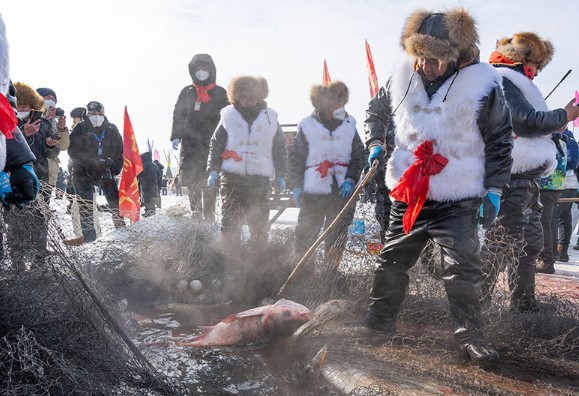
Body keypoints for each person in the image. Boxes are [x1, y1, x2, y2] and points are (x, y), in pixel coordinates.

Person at [351, 8, 513, 366]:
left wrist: (495, 187)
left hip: (458, 194)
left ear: (455, 55)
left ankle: (470, 336)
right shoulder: (400, 76)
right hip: (410, 190)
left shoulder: (485, 84)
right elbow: (375, 112)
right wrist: (376, 142)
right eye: (422, 57)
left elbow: (501, 139)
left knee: (461, 268)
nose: (428, 66)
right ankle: (378, 324)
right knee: (391, 261)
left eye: (437, 60)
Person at [481, 32, 579, 311]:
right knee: (502, 242)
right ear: (525, 61)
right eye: (537, 67)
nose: (537, 74)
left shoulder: (514, 83)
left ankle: (523, 305)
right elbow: (524, 122)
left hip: (527, 179)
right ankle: (476, 304)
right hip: (513, 177)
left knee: (528, 243)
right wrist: (565, 115)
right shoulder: (505, 80)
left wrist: (555, 129)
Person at [290, 81, 365, 288]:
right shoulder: (306, 125)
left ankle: (329, 278)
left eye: (341, 101)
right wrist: (296, 185)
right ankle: (304, 278)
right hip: (313, 189)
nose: (339, 105)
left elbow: (359, 155)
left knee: (337, 235)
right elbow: (296, 158)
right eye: (334, 101)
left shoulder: (350, 125)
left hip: (342, 191)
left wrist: (351, 179)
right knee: (306, 233)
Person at [206, 75, 287, 253]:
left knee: (259, 224)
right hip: (232, 178)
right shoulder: (227, 116)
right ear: (237, 97)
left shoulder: (270, 118)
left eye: (252, 96)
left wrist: (281, 174)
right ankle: (230, 260)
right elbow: (216, 144)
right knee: (230, 222)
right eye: (244, 96)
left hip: (260, 179)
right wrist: (213, 169)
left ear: (259, 96)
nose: (248, 100)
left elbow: (279, 147)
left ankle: (257, 264)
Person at [5, 82, 60, 260]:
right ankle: (17, 259)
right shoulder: (7, 120)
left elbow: (52, 152)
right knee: (15, 219)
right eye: (19, 105)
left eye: (25, 106)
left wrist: (50, 145)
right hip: (13, 178)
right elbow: (6, 144)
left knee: (40, 217)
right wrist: (24, 132)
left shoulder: (42, 123)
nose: (21, 108)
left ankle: (39, 257)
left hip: (40, 178)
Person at [171, 53, 228, 221]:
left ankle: (209, 216)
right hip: (190, 144)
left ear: (211, 70)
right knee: (193, 181)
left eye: (204, 69)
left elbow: (227, 118)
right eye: (198, 69)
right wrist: (176, 135)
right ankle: (196, 213)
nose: (201, 72)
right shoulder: (187, 92)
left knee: (210, 182)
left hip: (212, 144)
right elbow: (178, 113)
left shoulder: (220, 92)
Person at [66, 101, 124, 244]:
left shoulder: (111, 128)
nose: (96, 116)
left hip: (106, 171)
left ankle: (121, 230)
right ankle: (89, 238)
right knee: (85, 204)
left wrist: (114, 167)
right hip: (82, 171)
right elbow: (72, 150)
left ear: (104, 113)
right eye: (93, 114)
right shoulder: (80, 128)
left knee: (114, 201)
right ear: (87, 114)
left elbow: (119, 151)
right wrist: (90, 162)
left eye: (99, 113)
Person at [547, 129, 578, 268]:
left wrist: (554, 167)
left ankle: (555, 252)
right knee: (562, 217)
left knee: (556, 217)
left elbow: (573, 161)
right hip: (563, 183)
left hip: (564, 183)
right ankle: (560, 252)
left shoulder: (568, 138)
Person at [36, 88, 69, 194]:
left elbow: (63, 147)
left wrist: (62, 129)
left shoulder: (54, 121)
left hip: (50, 173)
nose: (51, 101)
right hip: (35, 171)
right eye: (47, 98)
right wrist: (45, 118)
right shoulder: (31, 116)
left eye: (53, 99)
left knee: (44, 206)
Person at [138, 151, 162, 217]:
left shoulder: (144, 166)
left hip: (146, 186)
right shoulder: (155, 166)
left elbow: (139, 175)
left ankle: (149, 213)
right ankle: (150, 212)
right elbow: (159, 175)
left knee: (147, 200)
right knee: (151, 200)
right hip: (154, 186)